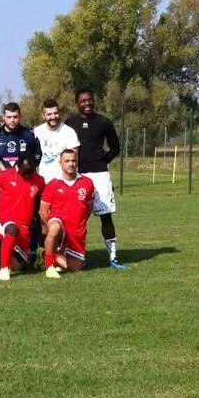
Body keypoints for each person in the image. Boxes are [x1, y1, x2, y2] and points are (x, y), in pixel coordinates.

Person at [64, 89, 126, 269]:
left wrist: (102, 161)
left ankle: (113, 257)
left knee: (106, 216)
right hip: (78, 175)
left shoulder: (104, 122)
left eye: (89, 100)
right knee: (77, 218)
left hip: (100, 175)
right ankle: (78, 255)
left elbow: (115, 146)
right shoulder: (71, 122)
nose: (87, 103)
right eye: (83, 101)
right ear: (77, 103)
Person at [39, 148, 95, 278]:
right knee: (55, 227)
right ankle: (49, 266)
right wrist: (50, 231)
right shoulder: (52, 184)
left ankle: (46, 253)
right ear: (60, 163)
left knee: (76, 268)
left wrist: (80, 222)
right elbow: (43, 211)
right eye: (67, 161)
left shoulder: (87, 183)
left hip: (76, 230)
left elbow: (89, 208)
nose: (71, 164)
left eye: (73, 161)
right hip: (58, 224)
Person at [0, 155, 45, 281]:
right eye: (25, 172)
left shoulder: (39, 180)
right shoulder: (3, 176)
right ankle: (4, 269)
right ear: (17, 166)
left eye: (31, 172)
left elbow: (38, 199)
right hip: (3, 222)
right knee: (12, 229)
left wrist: (35, 216)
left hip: (24, 226)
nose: (28, 176)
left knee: (19, 265)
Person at [34, 97, 81, 182]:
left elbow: (74, 160)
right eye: (49, 114)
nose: (53, 117)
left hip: (64, 182)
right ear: (43, 116)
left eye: (55, 113)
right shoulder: (37, 132)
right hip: (43, 182)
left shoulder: (69, 132)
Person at [0, 102, 42, 172]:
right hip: (1, 180)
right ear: (3, 117)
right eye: (9, 117)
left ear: (20, 116)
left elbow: (37, 155)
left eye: (15, 117)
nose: (12, 120)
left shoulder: (28, 135)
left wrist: (28, 168)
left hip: (23, 180)